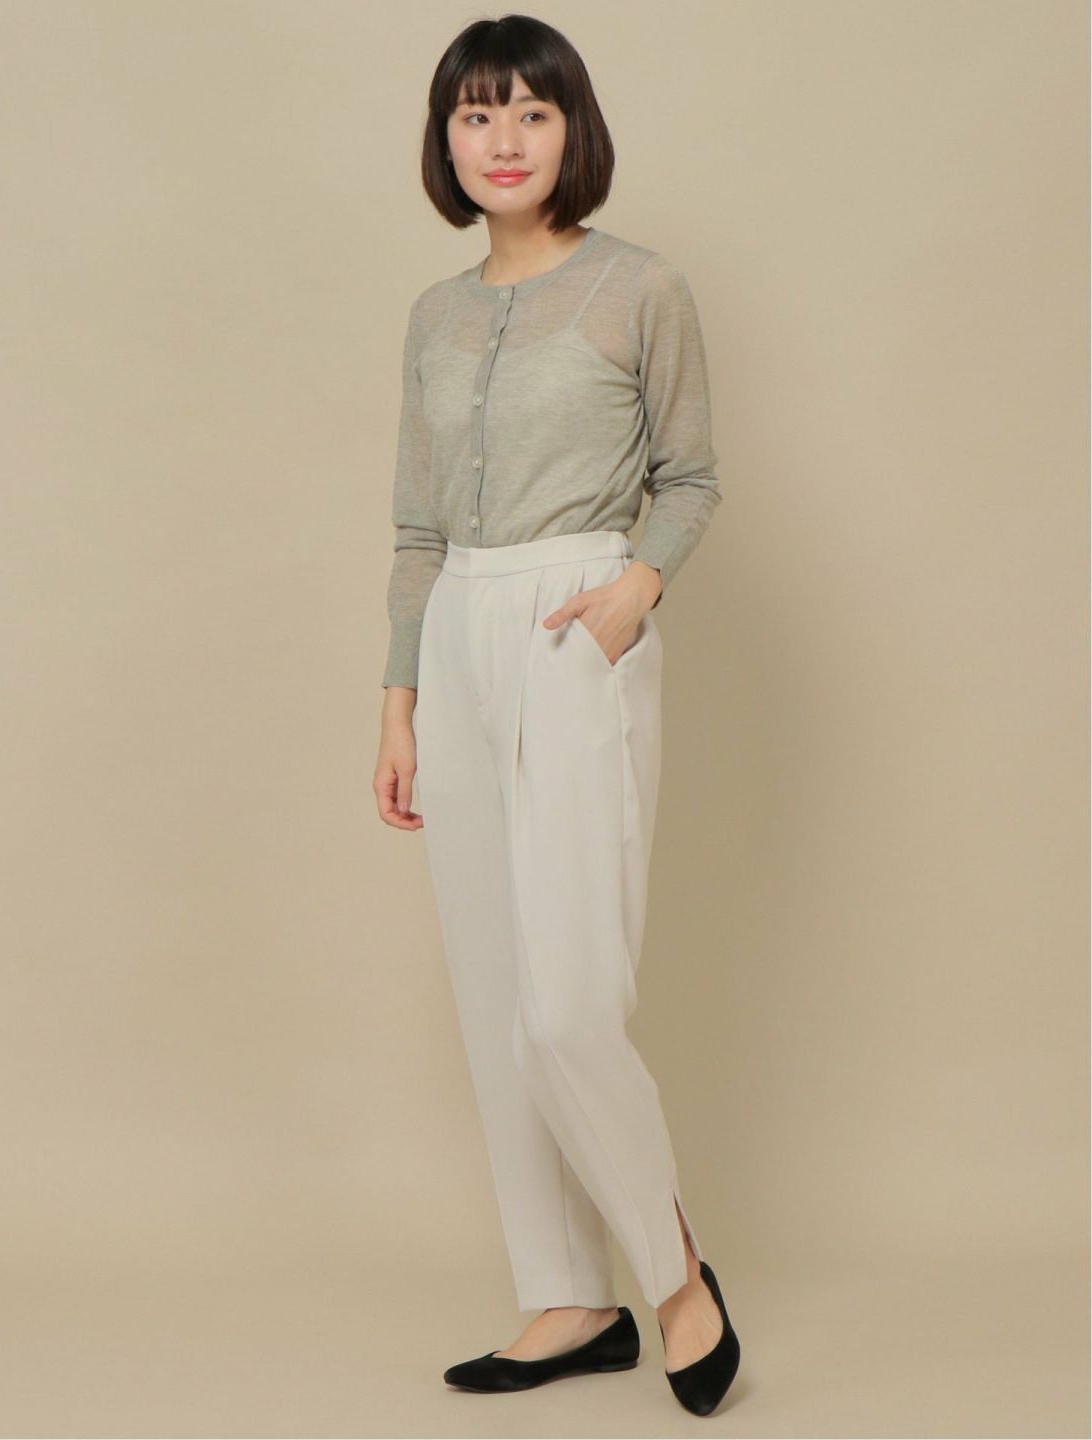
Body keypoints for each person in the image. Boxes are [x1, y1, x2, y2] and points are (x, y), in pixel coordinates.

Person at [371, 13, 742, 1417]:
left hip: (576, 620)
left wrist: (636, 589)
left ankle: (676, 1276)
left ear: (573, 130)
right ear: (446, 140)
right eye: (476, 115)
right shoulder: (436, 314)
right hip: (458, 627)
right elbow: (416, 525)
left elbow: (691, 477)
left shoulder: (641, 288)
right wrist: (399, 700)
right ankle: (571, 1298)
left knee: (569, 1004)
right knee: (492, 990)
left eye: (531, 112)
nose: (504, 140)